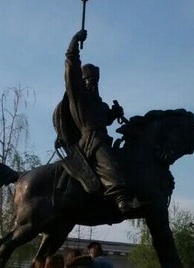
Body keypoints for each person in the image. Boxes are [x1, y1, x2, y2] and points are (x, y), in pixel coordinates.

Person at [55, 29, 139, 213]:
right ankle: (121, 198)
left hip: (103, 137)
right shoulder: (78, 98)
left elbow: (105, 120)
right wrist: (74, 43)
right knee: (110, 163)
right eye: (88, 80)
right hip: (91, 142)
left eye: (95, 80)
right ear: (82, 81)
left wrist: (113, 113)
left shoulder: (99, 104)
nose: (92, 83)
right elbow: (71, 72)